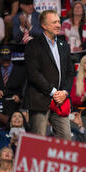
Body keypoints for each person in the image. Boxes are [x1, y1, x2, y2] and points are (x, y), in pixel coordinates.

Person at [24, 10, 75, 141]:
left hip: (60, 101)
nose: (58, 25)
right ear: (44, 25)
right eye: (54, 22)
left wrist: (64, 92)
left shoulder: (64, 45)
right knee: (38, 142)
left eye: (59, 21)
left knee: (66, 140)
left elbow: (70, 72)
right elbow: (34, 74)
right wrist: (53, 92)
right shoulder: (33, 45)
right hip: (39, 101)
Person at [0, 46, 26, 115]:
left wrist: (19, 97)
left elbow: (25, 88)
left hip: (15, 106)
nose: (5, 62)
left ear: (11, 57)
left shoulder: (21, 71)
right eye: (3, 59)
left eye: (7, 60)